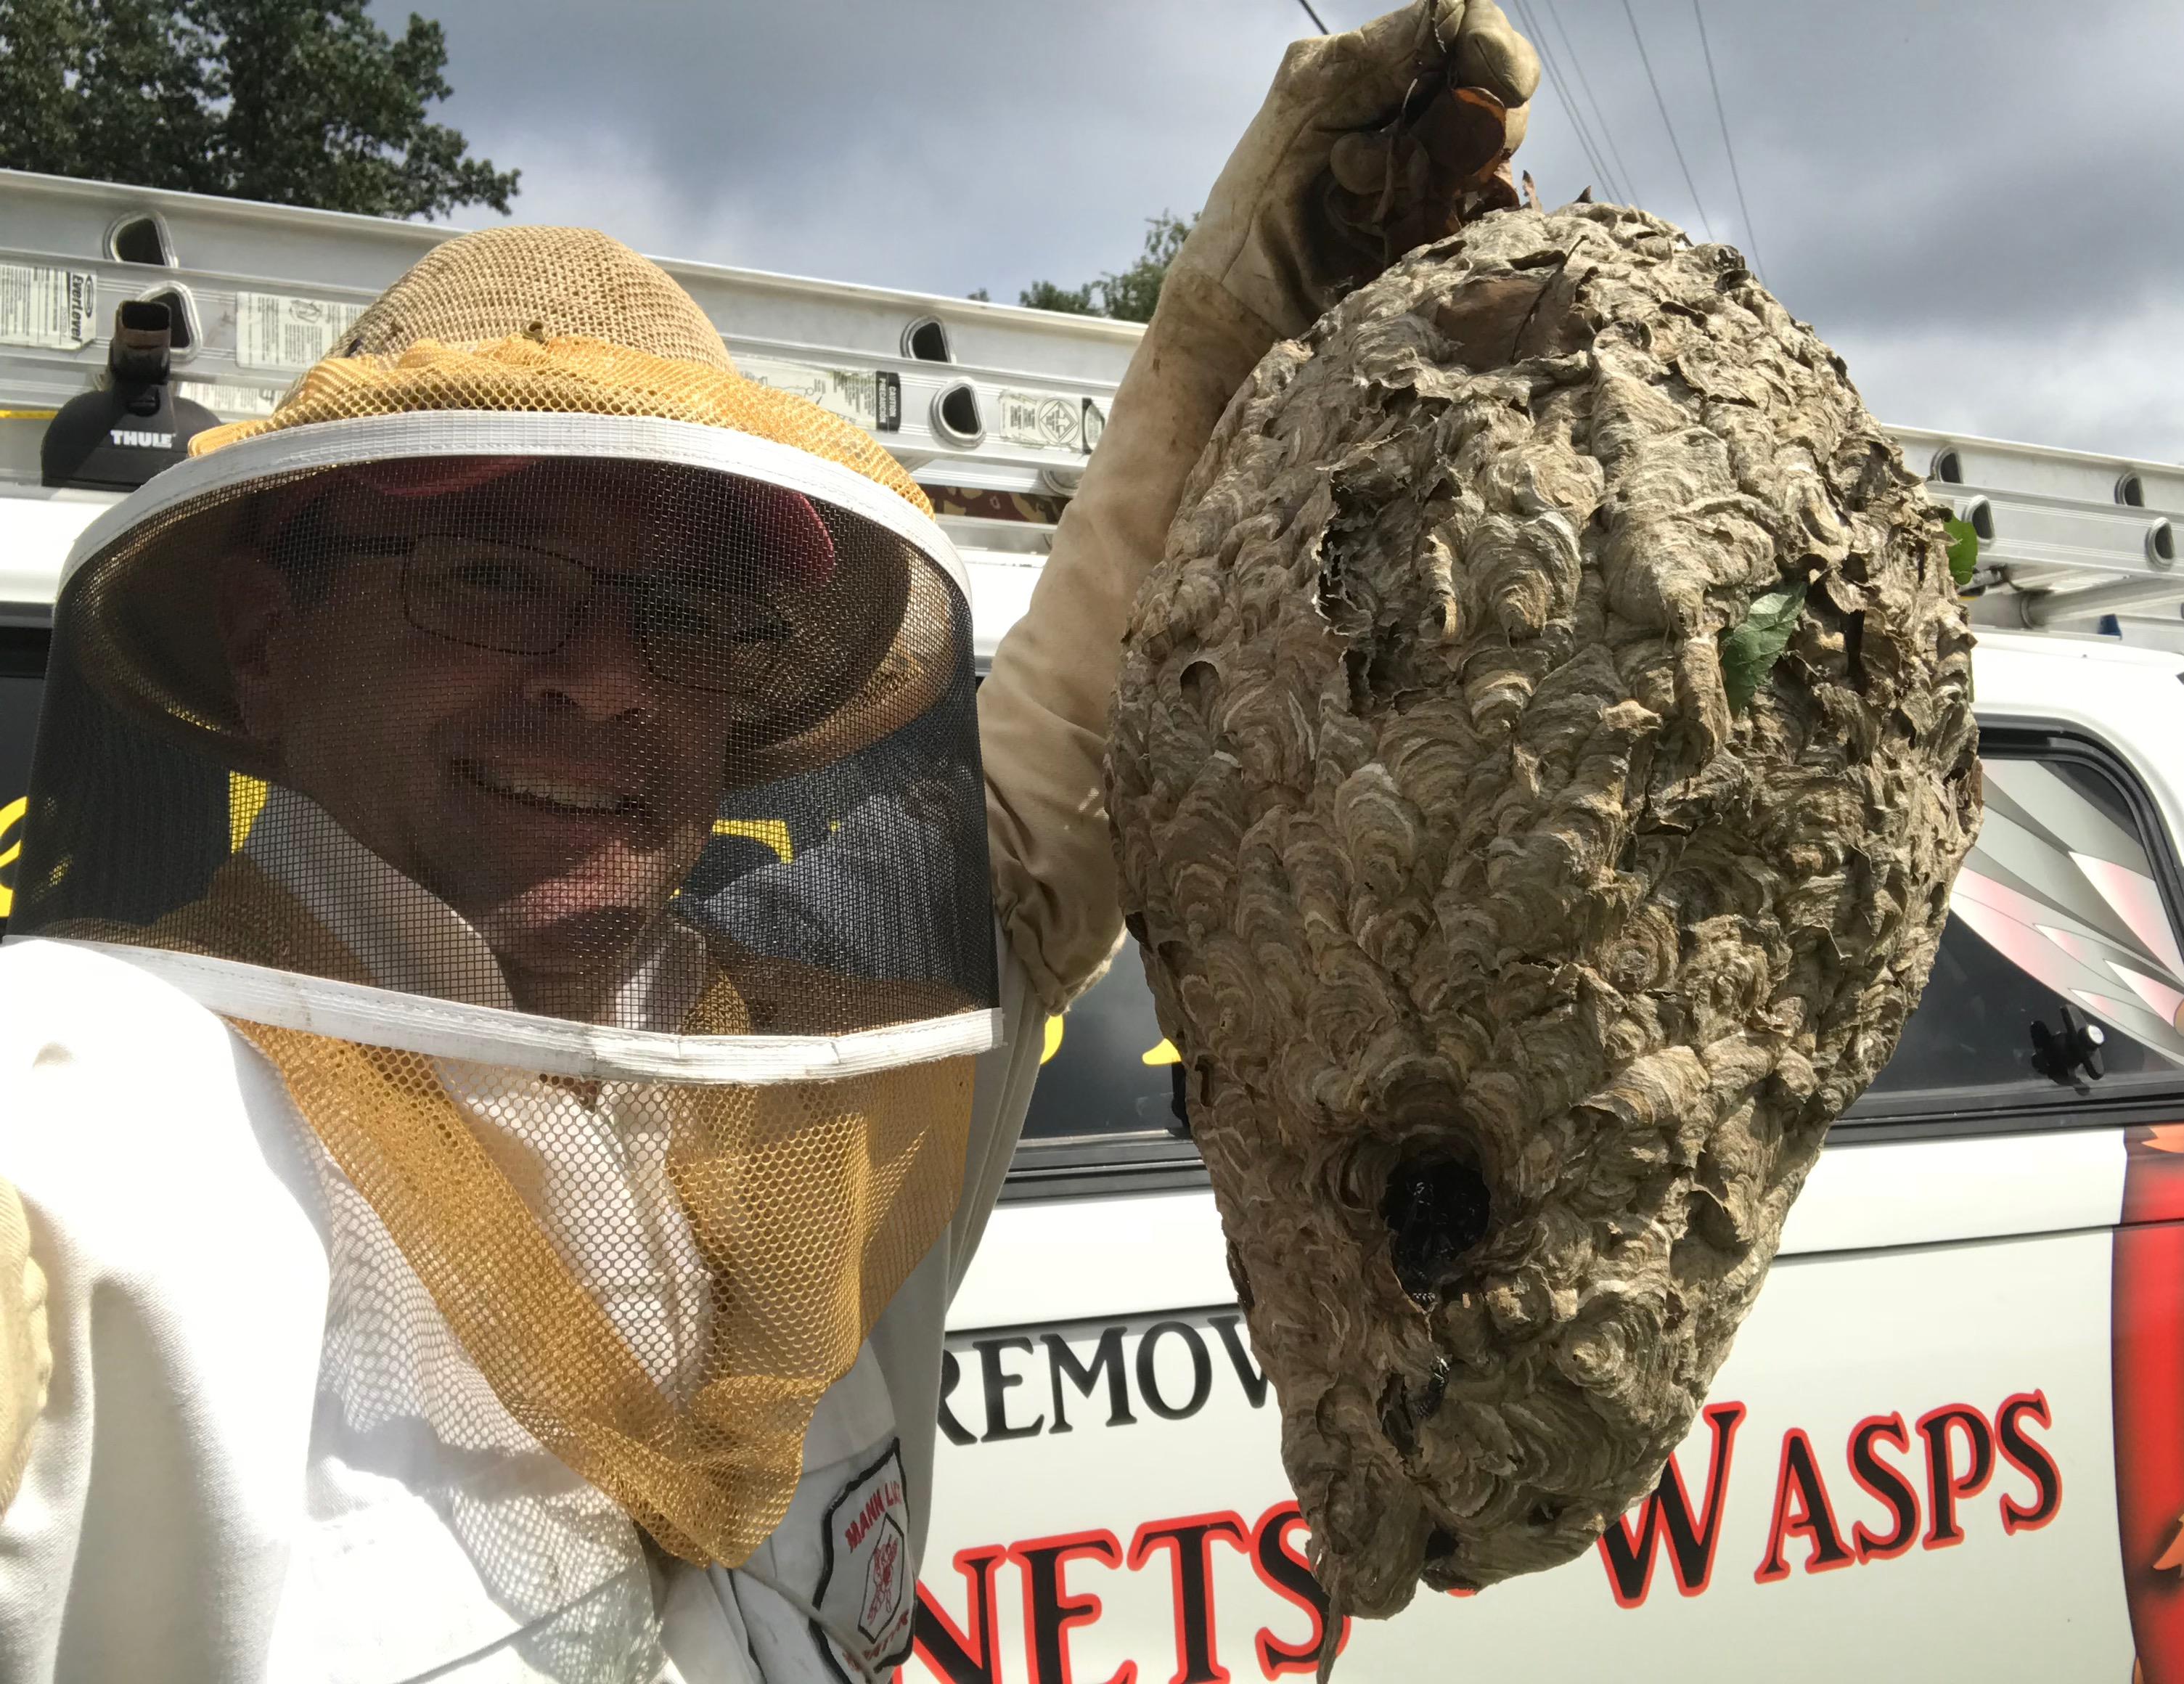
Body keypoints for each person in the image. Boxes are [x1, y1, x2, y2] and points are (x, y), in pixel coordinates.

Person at [0, 4, 1537, 1679]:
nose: (602, 679)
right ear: (264, 637)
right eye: (493, 576)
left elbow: (1027, 831)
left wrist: (1228, 336)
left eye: (687, 608)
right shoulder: (89, 1130)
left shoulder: (810, 1053)